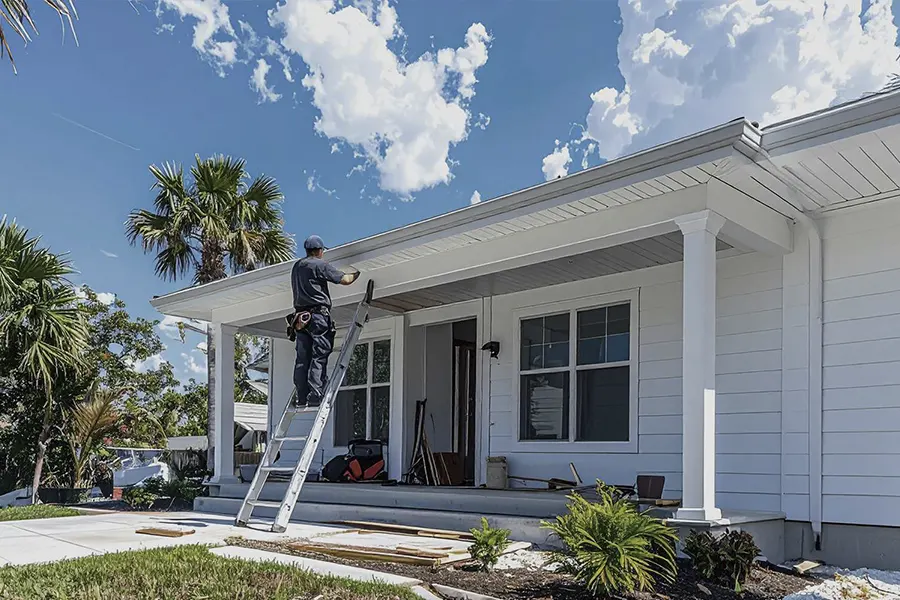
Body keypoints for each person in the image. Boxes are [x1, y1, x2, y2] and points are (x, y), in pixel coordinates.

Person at [290, 235, 360, 408]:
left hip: (300, 319)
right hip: (317, 317)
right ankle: (315, 394)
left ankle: (301, 397)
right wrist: (358, 272)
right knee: (319, 356)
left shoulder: (297, 267)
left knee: (302, 359)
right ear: (320, 251)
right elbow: (345, 280)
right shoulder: (319, 265)